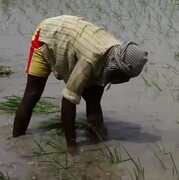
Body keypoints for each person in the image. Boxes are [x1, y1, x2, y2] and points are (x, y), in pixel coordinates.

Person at [12, 15, 148, 154]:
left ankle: (97, 139)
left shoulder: (117, 53)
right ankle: (16, 142)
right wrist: (72, 145)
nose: (125, 80)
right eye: (125, 76)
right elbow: (68, 99)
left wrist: (102, 143)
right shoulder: (91, 60)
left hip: (75, 37)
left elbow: (94, 102)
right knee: (32, 94)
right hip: (47, 36)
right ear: (117, 68)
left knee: (94, 99)